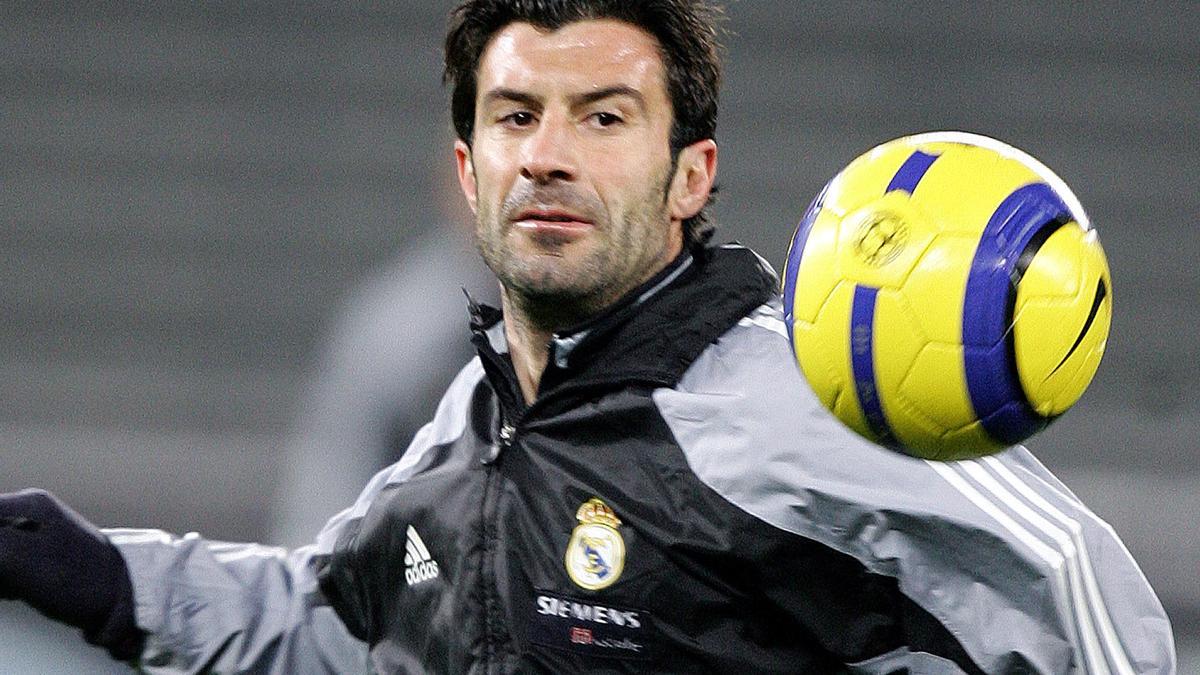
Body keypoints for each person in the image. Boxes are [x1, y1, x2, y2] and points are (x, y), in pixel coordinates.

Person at [0, 1, 1177, 672]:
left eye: (605, 117)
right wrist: (92, 571)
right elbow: (337, 624)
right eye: (517, 116)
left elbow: (1081, 599)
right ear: (470, 171)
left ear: (689, 177)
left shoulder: (807, 405)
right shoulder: (474, 436)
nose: (549, 154)